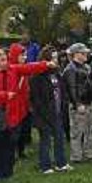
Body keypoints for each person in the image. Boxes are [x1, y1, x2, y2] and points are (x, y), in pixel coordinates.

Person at [0, 46, 54, 182]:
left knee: (9, 145)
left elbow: (29, 68)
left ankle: (7, 173)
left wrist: (45, 64)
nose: (3, 56)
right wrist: (4, 95)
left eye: (3, 53)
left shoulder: (12, 69)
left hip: (11, 115)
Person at [30, 46, 71, 174]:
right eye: (52, 58)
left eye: (56, 58)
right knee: (46, 140)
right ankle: (45, 165)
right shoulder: (37, 77)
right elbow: (36, 99)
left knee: (59, 138)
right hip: (44, 115)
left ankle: (61, 163)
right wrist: (44, 114)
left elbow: (62, 91)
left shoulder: (57, 74)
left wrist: (63, 105)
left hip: (57, 111)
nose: (55, 60)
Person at [63, 43, 92, 163]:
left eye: (86, 53)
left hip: (88, 102)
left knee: (90, 129)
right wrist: (77, 104)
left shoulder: (86, 67)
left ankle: (90, 153)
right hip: (79, 104)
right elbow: (71, 88)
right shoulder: (70, 69)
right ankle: (76, 156)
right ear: (75, 55)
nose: (86, 55)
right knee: (77, 131)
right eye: (83, 53)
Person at [8, 43, 32, 160]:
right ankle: (12, 152)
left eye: (25, 55)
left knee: (23, 129)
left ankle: (21, 150)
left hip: (24, 104)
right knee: (14, 131)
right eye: (22, 55)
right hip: (14, 105)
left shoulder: (25, 69)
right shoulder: (10, 70)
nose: (24, 58)